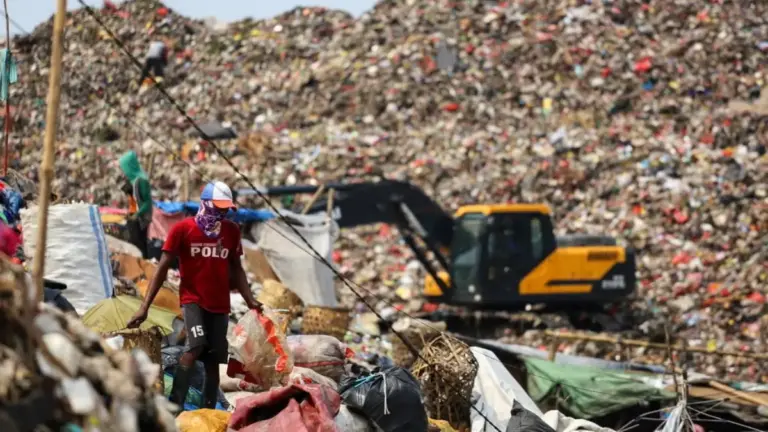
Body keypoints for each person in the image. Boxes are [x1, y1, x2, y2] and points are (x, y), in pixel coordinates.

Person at [127, 181, 262, 410]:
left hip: (220, 304)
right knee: (195, 348)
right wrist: (144, 307)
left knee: (213, 360)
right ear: (206, 204)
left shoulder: (231, 231)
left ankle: (208, 410)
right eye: (217, 207)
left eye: (225, 209)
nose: (221, 213)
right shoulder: (183, 230)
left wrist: (250, 300)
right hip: (193, 301)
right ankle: (176, 406)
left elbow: (237, 268)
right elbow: (161, 269)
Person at [119, 151, 153, 258]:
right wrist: (130, 213)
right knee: (133, 245)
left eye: (124, 167)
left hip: (141, 219)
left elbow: (147, 203)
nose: (123, 171)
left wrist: (136, 215)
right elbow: (134, 201)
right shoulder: (132, 180)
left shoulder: (141, 180)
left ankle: (144, 267)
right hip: (135, 216)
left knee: (139, 246)